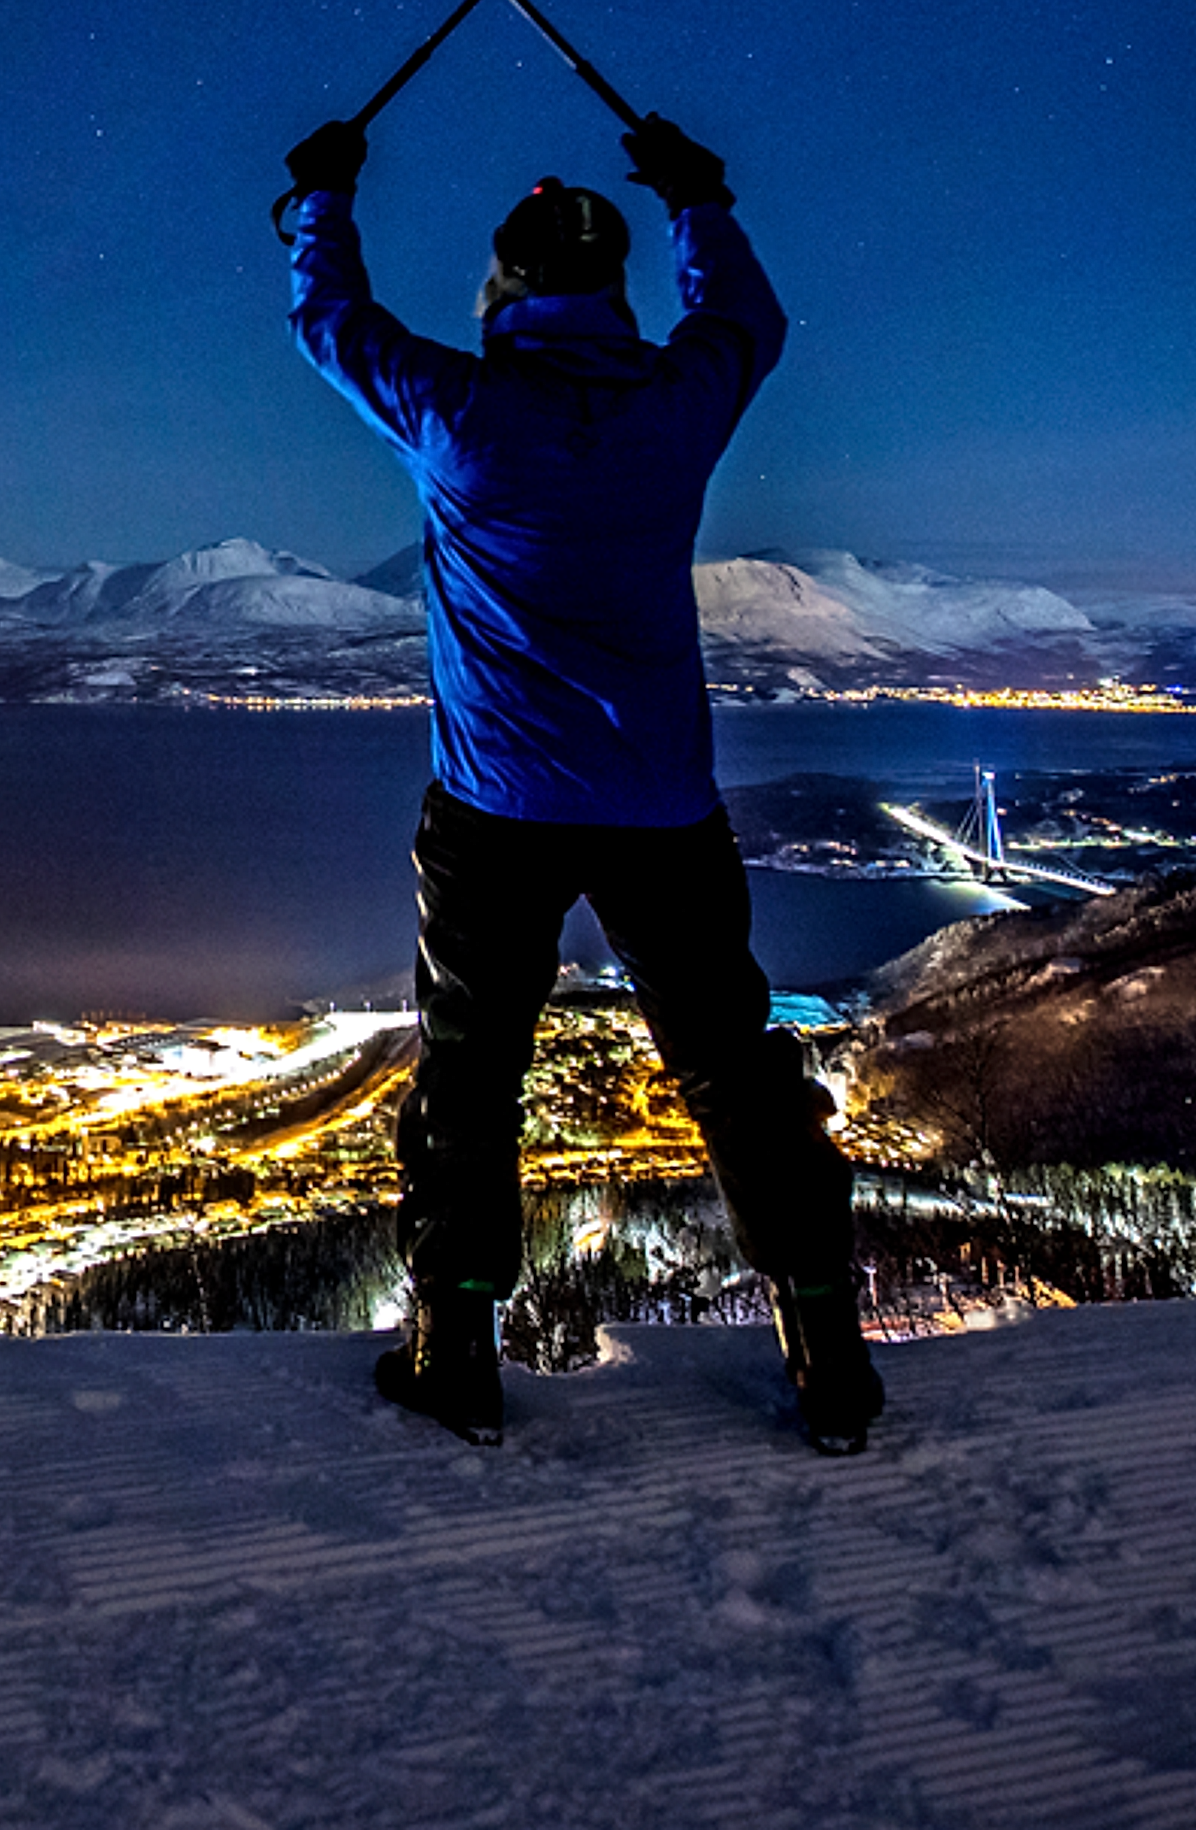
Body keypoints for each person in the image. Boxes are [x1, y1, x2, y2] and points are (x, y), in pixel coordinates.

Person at [278, 109, 882, 1453]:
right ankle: (828, 1349)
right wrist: (696, 197)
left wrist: (322, 193)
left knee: (470, 1071)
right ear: (610, 287)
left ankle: (453, 1347)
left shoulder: (461, 412)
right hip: (662, 807)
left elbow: (328, 321)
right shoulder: (676, 410)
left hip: (495, 808)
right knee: (732, 1066)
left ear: (501, 286)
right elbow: (746, 320)